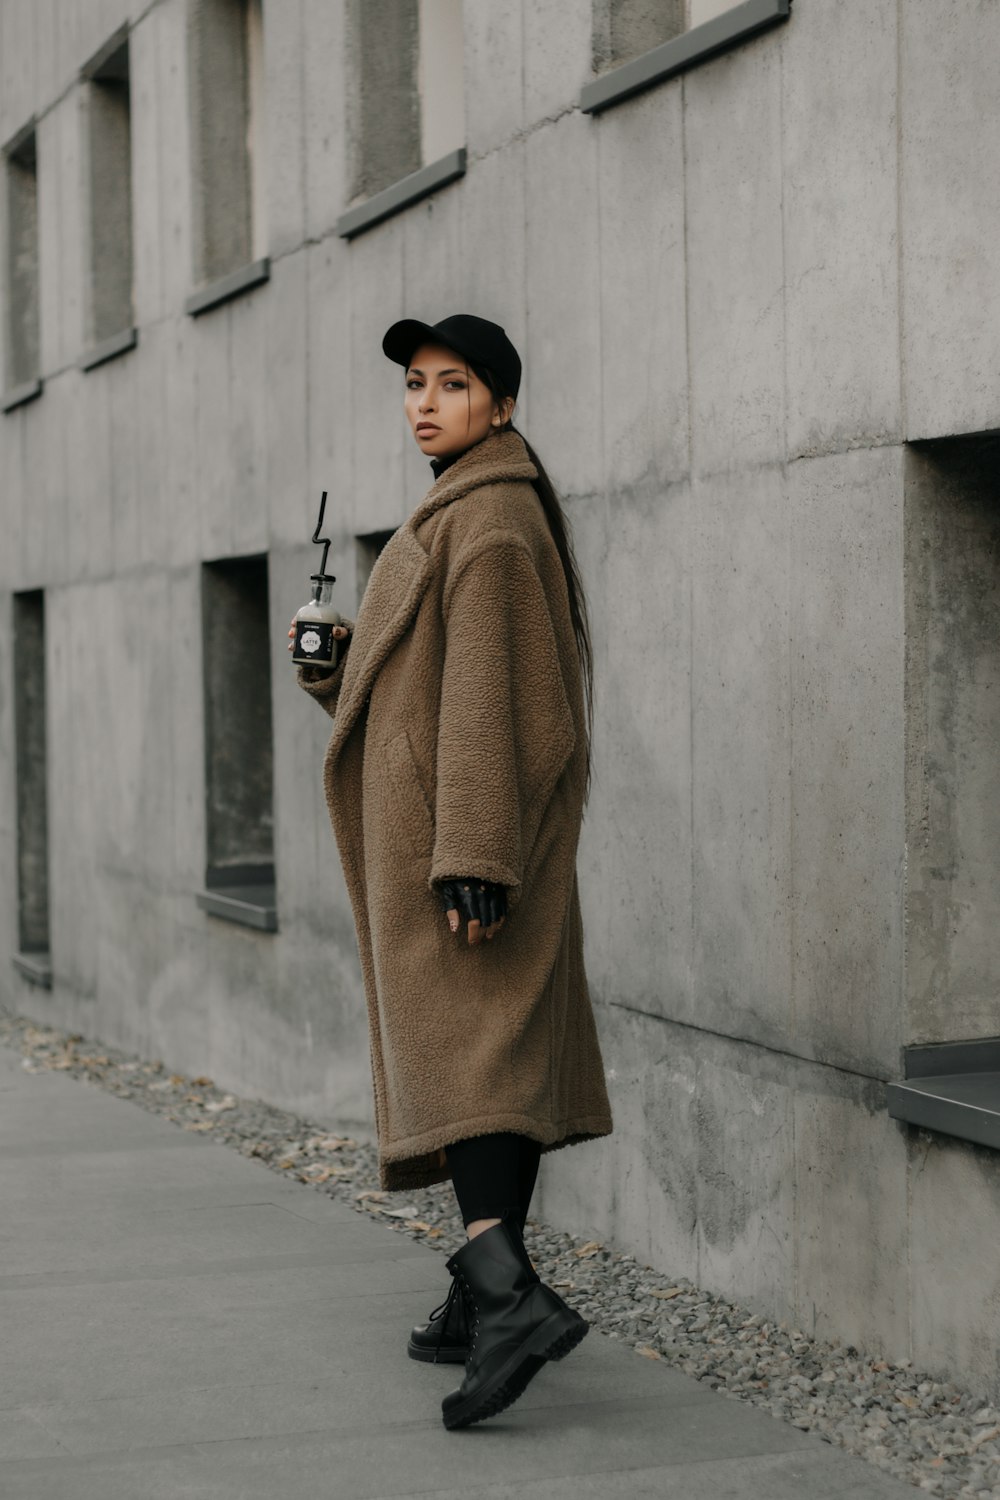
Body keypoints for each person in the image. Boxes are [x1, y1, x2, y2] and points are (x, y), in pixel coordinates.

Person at [288, 313, 612, 1430]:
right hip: (448, 837)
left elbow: (490, 694)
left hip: (460, 852)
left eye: (454, 384)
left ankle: (506, 1299)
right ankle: (475, 1305)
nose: (425, 401)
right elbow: (424, 694)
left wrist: (472, 853)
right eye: (416, 384)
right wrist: (331, 676)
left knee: (469, 1065)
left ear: (503, 404)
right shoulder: (465, 509)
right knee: (494, 1061)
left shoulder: (490, 524)